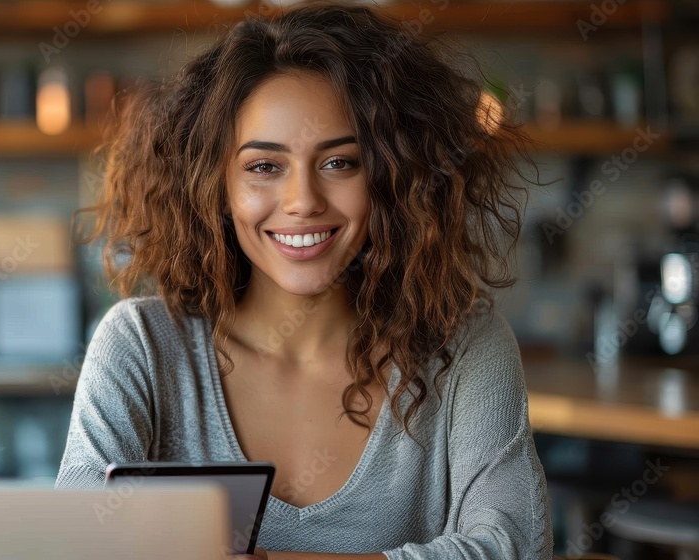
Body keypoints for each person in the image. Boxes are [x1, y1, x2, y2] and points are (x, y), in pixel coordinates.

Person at [56, 1, 553, 558]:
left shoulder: (464, 346)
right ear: (214, 186)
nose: (303, 202)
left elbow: (515, 548)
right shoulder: (142, 348)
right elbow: (83, 546)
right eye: (264, 167)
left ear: (393, 176)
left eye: (340, 162)